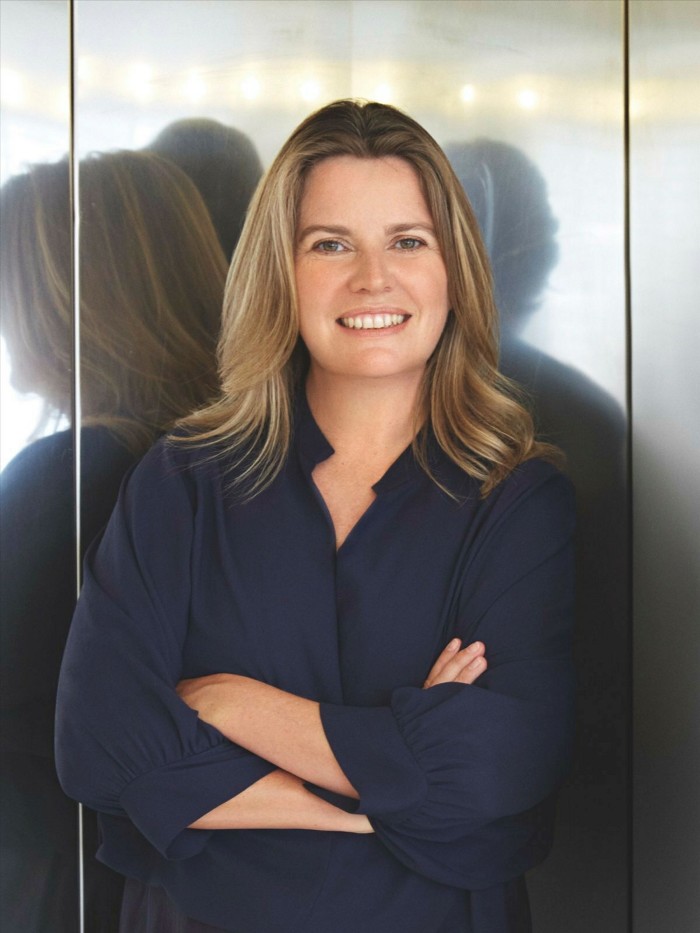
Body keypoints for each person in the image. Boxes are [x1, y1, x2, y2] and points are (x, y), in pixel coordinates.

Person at [55, 100, 576, 933]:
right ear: (281, 272)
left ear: (454, 271)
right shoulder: (181, 482)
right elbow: (99, 743)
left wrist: (232, 705)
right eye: (330, 243)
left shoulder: (517, 500)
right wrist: (376, 794)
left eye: (408, 240)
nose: (373, 278)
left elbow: (492, 771)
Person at [0, 150, 228, 931]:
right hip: (157, 870)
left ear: (67, 300)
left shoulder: (69, 472)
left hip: (48, 865)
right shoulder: (220, 460)